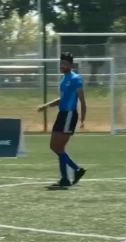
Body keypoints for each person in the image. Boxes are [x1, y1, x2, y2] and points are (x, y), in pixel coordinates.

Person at [37, 52, 87, 187]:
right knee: (56, 146)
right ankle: (66, 178)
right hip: (62, 114)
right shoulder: (63, 80)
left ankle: (76, 170)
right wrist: (46, 106)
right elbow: (62, 99)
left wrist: (83, 119)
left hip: (70, 115)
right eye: (61, 63)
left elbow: (82, 101)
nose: (62, 65)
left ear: (71, 65)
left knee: (57, 147)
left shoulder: (76, 79)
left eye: (64, 63)